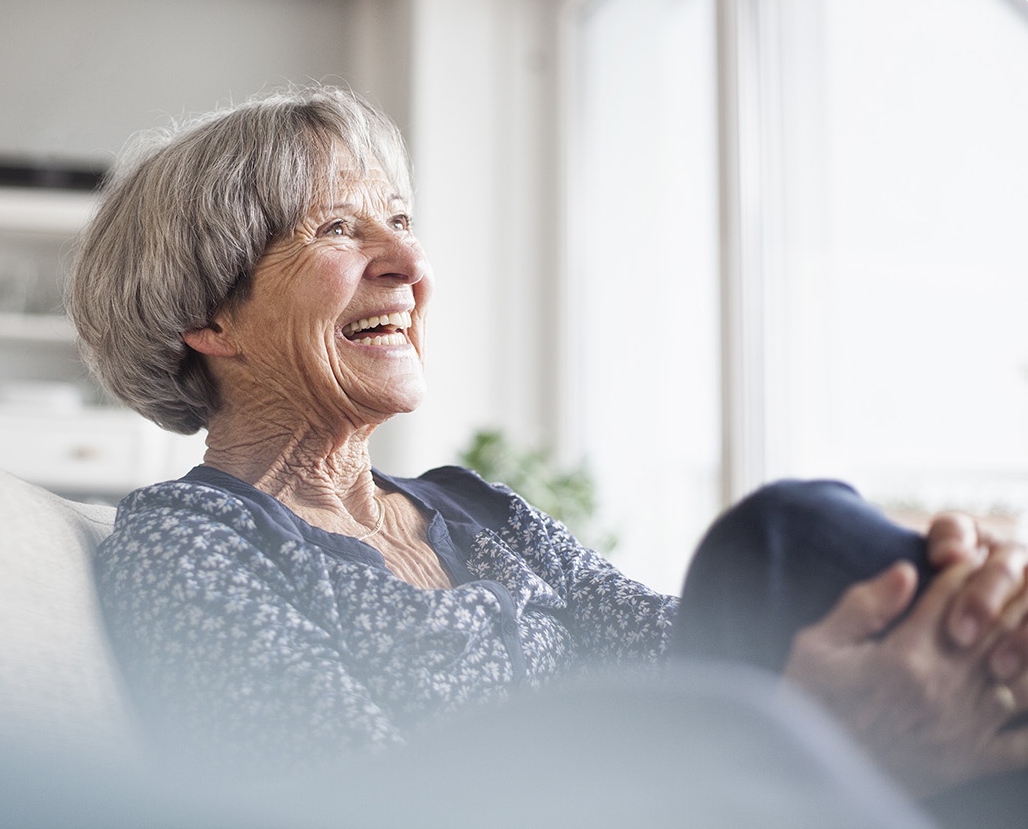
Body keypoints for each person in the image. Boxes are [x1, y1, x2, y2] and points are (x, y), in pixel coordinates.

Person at [67, 84, 1028, 813]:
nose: (409, 263)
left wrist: (913, 617)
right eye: (335, 228)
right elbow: (352, 806)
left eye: (399, 222)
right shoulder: (189, 544)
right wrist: (810, 738)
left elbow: (694, 641)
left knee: (783, 541)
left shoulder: (472, 509)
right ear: (209, 319)